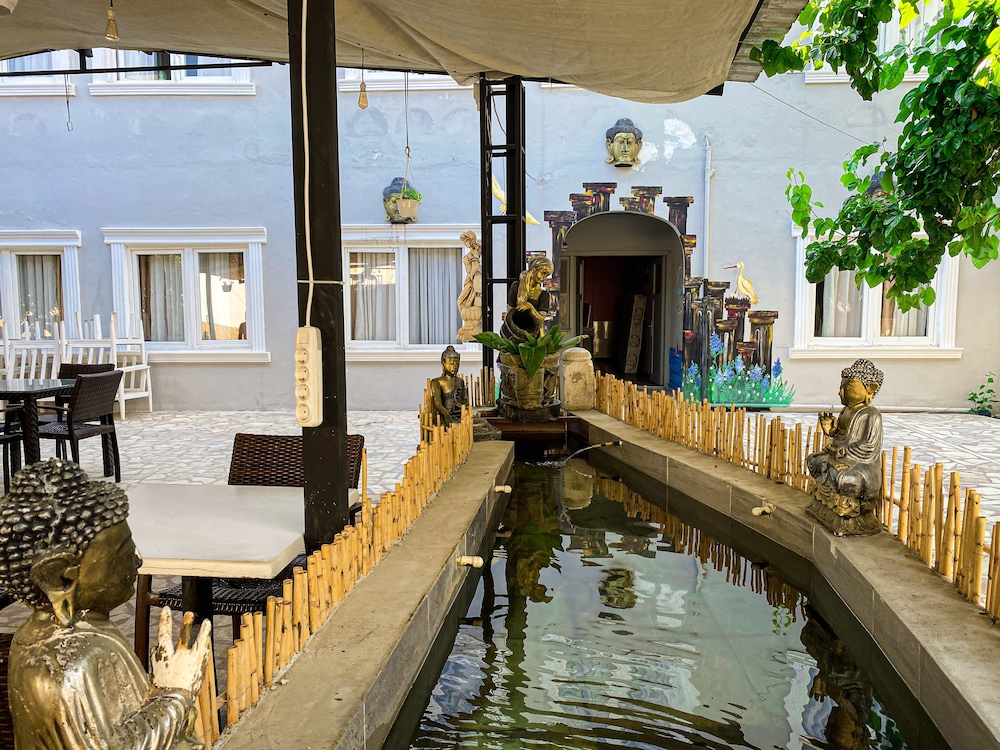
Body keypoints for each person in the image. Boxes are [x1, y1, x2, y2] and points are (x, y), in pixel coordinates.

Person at [0, 459, 211, 750]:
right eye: (122, 552)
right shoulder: (67, 666)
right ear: (63, 578)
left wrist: (159, 692)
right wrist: (177, 695)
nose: (137, 560)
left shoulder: (81, 634)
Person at [806, 359, 884, 531]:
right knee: (814, 460)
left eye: (847, 387)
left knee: (846, 479)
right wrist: (831, 430)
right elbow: (840, 436)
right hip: (839, 458)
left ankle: (850, 510)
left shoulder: (872, 414)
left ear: (869, 389)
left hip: (860, 466)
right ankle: (828, 501)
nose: (840, 392)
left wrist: (841, 452)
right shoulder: (846, 411)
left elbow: (868, 447)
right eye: (841, 387)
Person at [500, 256, 554, 345]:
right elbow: (510, 311)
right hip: (511, 333)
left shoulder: (544, 295)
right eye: (543, 273)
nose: (544, 278)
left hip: (531, 337)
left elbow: (540, 320)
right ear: (534, 270)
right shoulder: (516, 287)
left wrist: (530, 307)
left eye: (547, 275)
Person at [430, 345, 468, 424]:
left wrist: (466, 414)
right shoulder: (437, 382)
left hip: (460, 416)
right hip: (445, 417)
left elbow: (463, 402)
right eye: (451, 363)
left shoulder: (460, 381)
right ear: (443, 364)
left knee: (484, 423)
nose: (455, 367)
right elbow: (438, 404)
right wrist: (446, 415)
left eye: (457, 364)